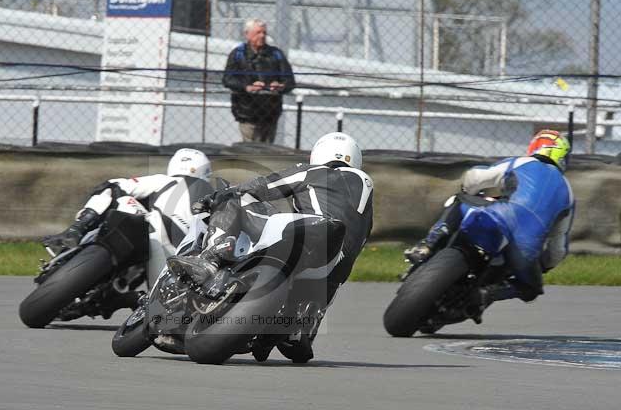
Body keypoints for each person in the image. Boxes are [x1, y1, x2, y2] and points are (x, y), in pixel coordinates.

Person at [167, 132, 374, 362]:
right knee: (302, 337)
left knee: (235, 198)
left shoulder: (315, 171)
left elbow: (264, 186)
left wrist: (216, 196)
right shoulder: (365, 191)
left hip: (312, 232)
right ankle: (296, 328)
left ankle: (212, 258)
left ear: (319, 153)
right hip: (335, 269)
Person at [403, 129, 575, 305]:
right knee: (532, 288)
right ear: (563, 156)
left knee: (460, 201)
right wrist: (543, 266)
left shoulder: (521, 162)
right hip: (526, 247)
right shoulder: (569, 194)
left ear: (534, 147)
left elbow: (475, 177)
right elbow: (558, 249)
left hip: (497, 215)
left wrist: (470, 191)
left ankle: (428, 245)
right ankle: (486, 294)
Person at [42, 148, 214, 261]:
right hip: (180, 257)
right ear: (205, 172)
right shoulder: (214, 198)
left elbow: (118, 186)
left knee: (113, 189)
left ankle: (76, 230)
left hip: (153, 232)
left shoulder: (165, 180)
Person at [222, 18, 295, 144]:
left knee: (268, 149)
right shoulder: (238, 54)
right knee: (250, 149)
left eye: (264, 33)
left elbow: (290, 81)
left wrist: (279, 86)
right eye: (258, 32)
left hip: (270, 112)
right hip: (247, 112)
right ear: (247, 34)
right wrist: (247, 87)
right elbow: (227, 79)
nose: (262, 36)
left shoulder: (276, 54)